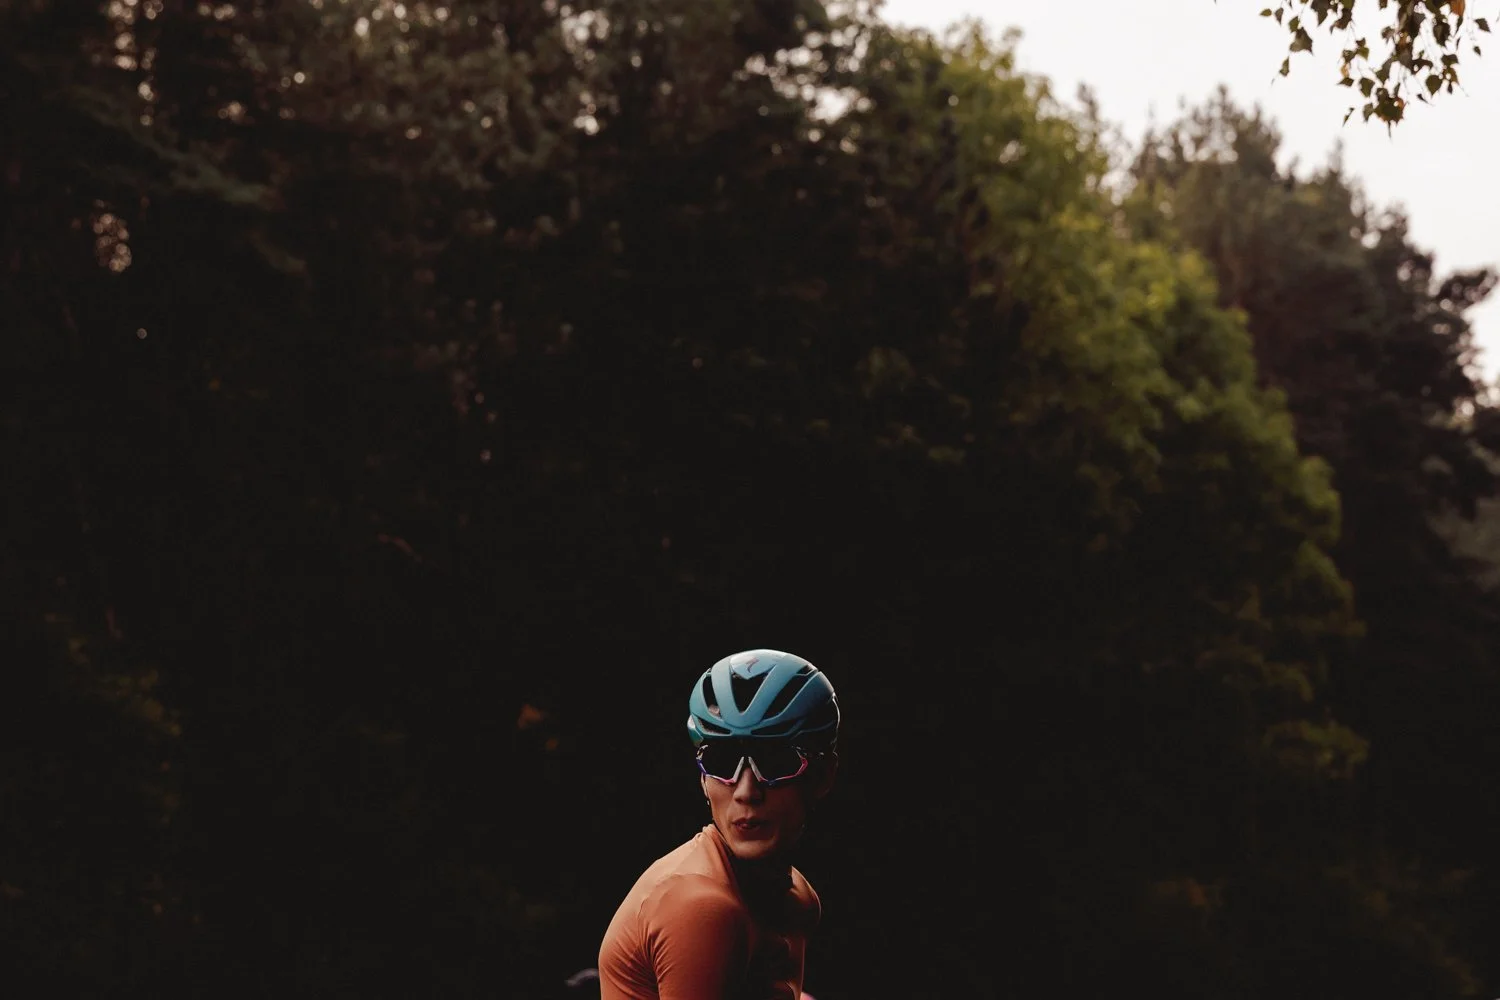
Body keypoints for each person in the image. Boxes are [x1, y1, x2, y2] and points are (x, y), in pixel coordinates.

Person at [598, 649, 840, 1000]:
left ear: (823, 776)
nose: (746, 792)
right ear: (702, 779)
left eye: (774, 762)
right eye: (721, 762)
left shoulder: (796, 898)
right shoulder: (702, 907)